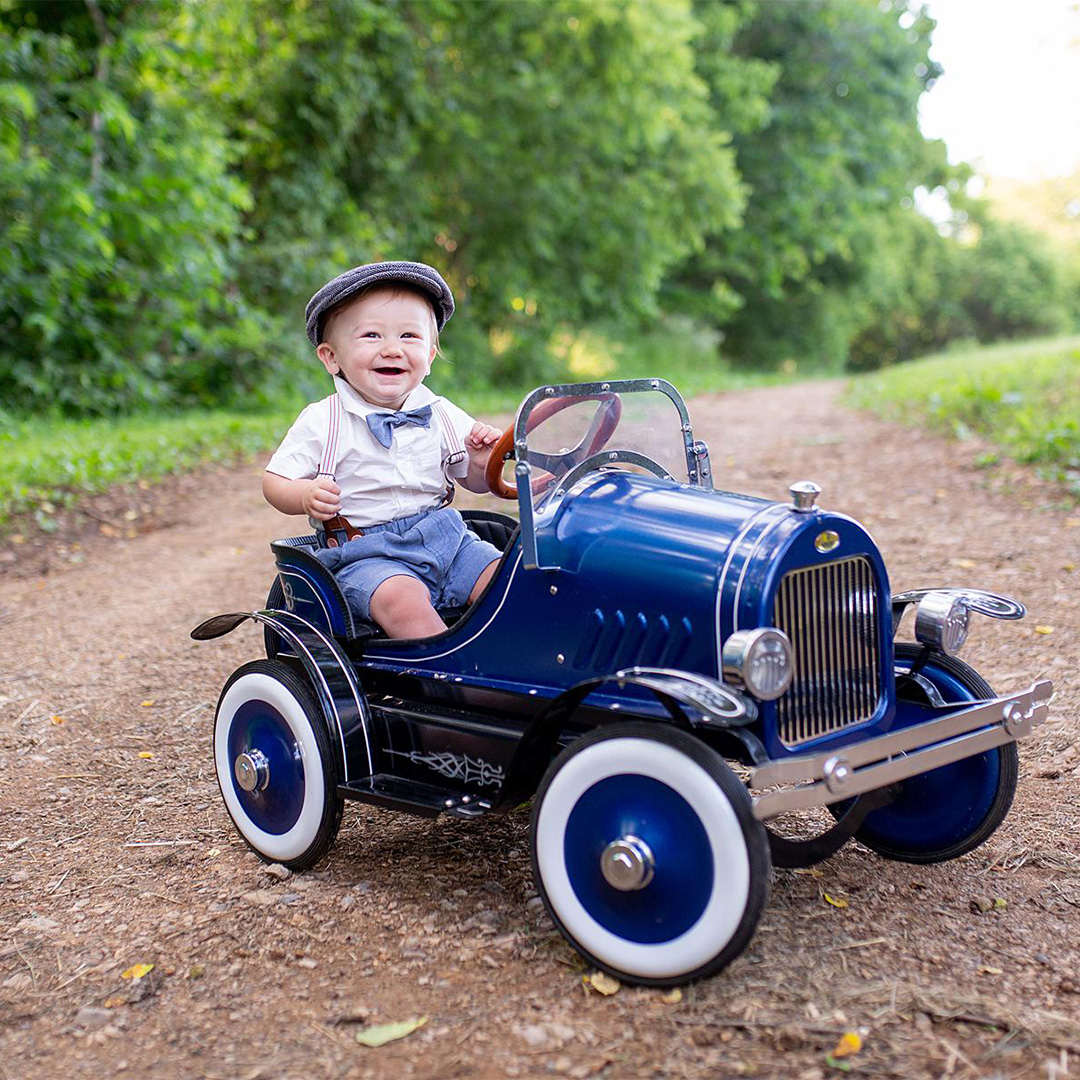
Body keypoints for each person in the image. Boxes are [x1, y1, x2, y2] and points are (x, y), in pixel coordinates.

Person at [262, 261, 503, 640]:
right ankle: (448, 674)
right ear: (331, 358)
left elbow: (474, 481)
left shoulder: (439, 411)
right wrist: (304, 495)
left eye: (409, 336)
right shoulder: (324, 419)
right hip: (367, 553)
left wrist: (477, 460)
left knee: (505, 579)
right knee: (402, 600)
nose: (392, 349)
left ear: (432, 352)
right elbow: (274, 480)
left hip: (446, 540)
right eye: (372, 336)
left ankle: (513, 659)